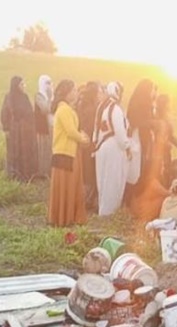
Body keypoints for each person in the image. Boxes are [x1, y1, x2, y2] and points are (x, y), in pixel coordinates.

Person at [48, 80, 90, 227]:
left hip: (69, 151)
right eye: (73, 90)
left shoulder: (67, 109)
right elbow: (71, 131)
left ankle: (67, 216)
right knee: (66, 186)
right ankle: (64, 217)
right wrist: (83, 138)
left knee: (70, 186)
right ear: (66, 93)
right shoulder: (64, 109)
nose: (76, 93)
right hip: (65, 153)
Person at [94, 82, 131, 216]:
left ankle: (103, 210)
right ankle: (109, 212)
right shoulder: (115, 109)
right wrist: (127, 146)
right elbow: (120, 133)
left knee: (103, 181)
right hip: (114, 148)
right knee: (112, 180)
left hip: (101, 147)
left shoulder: (101, 107)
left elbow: (95, 131)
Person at [0, 76, 38, 181]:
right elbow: (5, 113)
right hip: (14, 130)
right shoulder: (9, 97)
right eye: (21, 84)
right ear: (16, 86)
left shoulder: (25, 97)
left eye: (24, 84)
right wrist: (6, 128)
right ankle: (14, 174)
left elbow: (30, 112)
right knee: (14, 151)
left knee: (25, 151)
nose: (24, 86)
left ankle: (26, 174)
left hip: (25, 131)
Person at [125, 79, 158, 193]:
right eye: (152, 89)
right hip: (138, 139)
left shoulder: (147, 103)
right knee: (138, 167)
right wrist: (152, 123)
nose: (153, 92)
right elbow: (136, 121)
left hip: (145, 138)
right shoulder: (138, 104)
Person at [76, 81, 102, 210]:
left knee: (85, 173)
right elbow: (92, 128)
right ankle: (87, 201)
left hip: (82, 142)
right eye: (99, 92)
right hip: (90, 144)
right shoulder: (93, 109)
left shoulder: (82, 105)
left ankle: (84, 200)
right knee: (90, 173)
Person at [34, 75, 54, 179]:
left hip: (52, 126)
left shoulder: (52, 96)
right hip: (43, 128)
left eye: (50, 83)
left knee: (51, 149)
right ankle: (43, 172)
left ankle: (50, 171)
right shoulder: (39, 96)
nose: (49, 86)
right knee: (43, 150)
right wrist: (50, 98)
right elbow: (45, 109)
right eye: (47, 83)